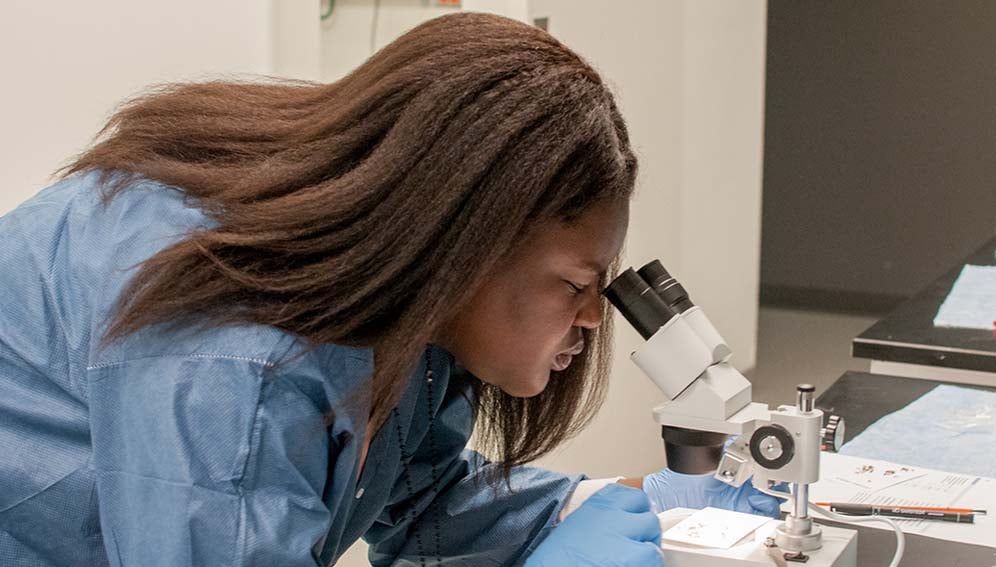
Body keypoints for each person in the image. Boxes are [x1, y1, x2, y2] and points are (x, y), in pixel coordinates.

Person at [0, 12, 779, 567]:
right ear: (468, 243)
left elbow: (417, 501)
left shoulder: (397, 317)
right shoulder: (235, 357)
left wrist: (616, 506)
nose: (591, 319)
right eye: (576, 284)